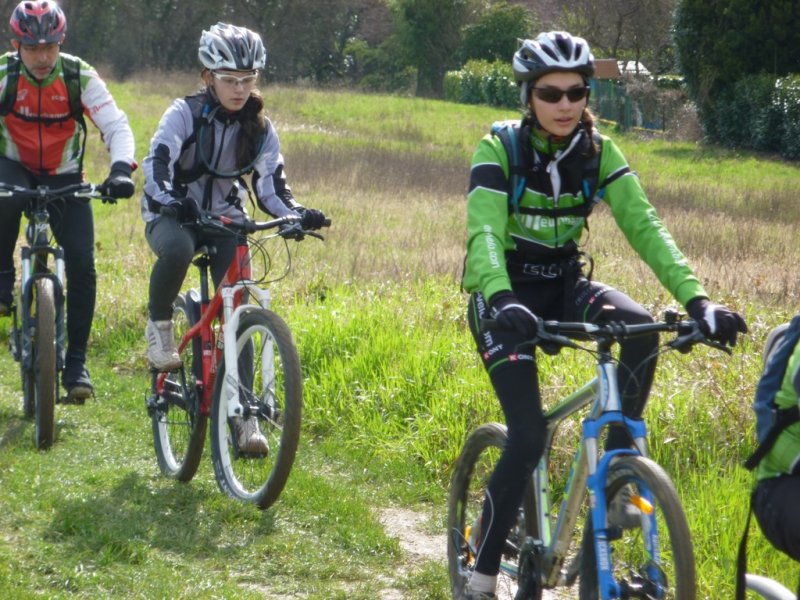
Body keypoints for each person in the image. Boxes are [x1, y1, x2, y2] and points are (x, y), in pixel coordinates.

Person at [461, 31, 747, 600]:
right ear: (528, 95)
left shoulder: (600, 152)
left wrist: (699, 302)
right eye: (550, 93)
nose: (566, 104)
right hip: (504, 300)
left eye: (576, 91)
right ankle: (480, 572)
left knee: (641, 328)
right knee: (526, 435)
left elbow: (646, 227)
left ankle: (618, 475)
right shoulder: (498, 150)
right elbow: (485, 234)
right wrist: (499, 297)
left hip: (566, 286)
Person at [141, 23, 326, 453]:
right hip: (174, 213)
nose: (239, 89)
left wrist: (297, 215)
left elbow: (271, 188)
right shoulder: (183, 114)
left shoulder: (259, 127)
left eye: (248, 80)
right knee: (179, 249)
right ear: (208, 77)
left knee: (239, 306)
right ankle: (160, 328)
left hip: (225, 218)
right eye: (229, 80)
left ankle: (244, 418)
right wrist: (171, 200)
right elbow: (157, 164)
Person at [0, 0, 136, 403]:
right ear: (16, 44)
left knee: (81, 262)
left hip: (64, 175)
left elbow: (115, 124)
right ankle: (3, 281)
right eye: (32, 48)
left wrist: (120, 171)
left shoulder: (78, 75)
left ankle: (76, 361)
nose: (42, 57)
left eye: (50, 47)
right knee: (5, 198)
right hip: (13, 166)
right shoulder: (5, 75)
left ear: (61, 42)